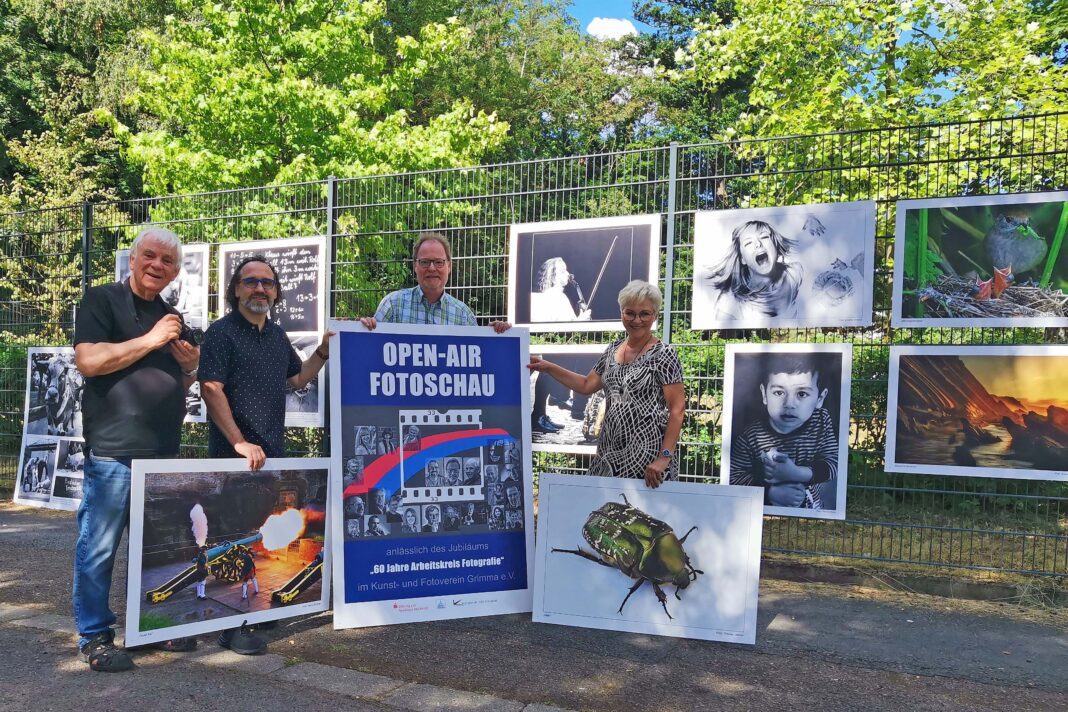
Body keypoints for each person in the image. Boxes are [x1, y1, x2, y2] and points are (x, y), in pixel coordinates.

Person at [72, 226, 201, 672]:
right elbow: (89, 361)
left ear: (175, 271)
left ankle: (151, 628)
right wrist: (152, 340)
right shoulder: (102, 300)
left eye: (167, 262)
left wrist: (188, 369)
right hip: (114, 453)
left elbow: (175, 386)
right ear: (133, 258)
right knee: (100, 549)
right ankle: (95, 637)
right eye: (150, 256)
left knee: (156, 550)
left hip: (162, 454)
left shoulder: (171, 316)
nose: (156, 266)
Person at [199, 255, 331, 654]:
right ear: (236, 289)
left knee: (260, 538)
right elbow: (210, 388)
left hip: (272, 455)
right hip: (233, 457)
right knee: (237, 537)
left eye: (268, 283)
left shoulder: (276, 335)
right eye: (251, 281)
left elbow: (296, 379)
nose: (260, 288)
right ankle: (231, 626)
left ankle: (251, 617)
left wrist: (322, 353)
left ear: (275, 292)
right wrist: (239, 442)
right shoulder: (220, 334)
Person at [528, 280, 685, 488]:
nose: (636, 320)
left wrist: (664, 457)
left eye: (645, 314)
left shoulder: (665, 354)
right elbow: (586, 385)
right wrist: (548, 367)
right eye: (630, 312)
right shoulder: (612, 350)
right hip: (608, 452)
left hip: (648, 457)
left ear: (655, 316)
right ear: (622, 313)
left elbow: (677, 409)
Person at [729, 353, 838, 510]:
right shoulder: (751, 436)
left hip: (812, 515)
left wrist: (796, 473)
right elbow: (734, 477)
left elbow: (833, 464)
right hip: (765, 514)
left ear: (820, 399)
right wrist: (770, 493)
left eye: (802, 394)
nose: (789, 404)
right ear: (764, 394)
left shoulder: (821, 422)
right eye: (779, 392)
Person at [359, 232, 511, 332]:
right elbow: (369, 349)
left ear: (449, 266)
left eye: (439, 262)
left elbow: (481, 362)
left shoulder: (463, 315)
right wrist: (358, 329)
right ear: (415, 266)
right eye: (425, 262)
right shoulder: (392, 305)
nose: (432, 268)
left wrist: (497, 337)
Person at [703, 220, 803, 322]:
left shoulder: (795, 274)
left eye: (764, 237)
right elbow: (721, 334)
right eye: (748, 243)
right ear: (742, 259)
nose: (758, 244)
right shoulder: (730, 300)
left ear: (775, 245)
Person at [530, 257, 591, 322]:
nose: (568, 274)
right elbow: (569, 328)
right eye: (563, 271)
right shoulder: (559, 297)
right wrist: (582, 319)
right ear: (553, 277)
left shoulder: (533, 298)